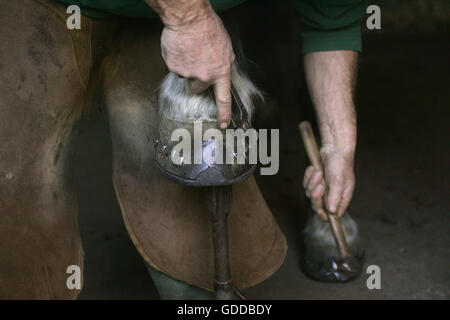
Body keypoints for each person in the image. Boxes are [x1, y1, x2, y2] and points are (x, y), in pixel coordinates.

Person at [0, 0, 366, 299]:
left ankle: (197, 295)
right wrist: (189, 18)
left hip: (165, 16)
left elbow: (332, 19)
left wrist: (339, 146)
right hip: (45, 6)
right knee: (16, 177)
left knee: (179, 156)